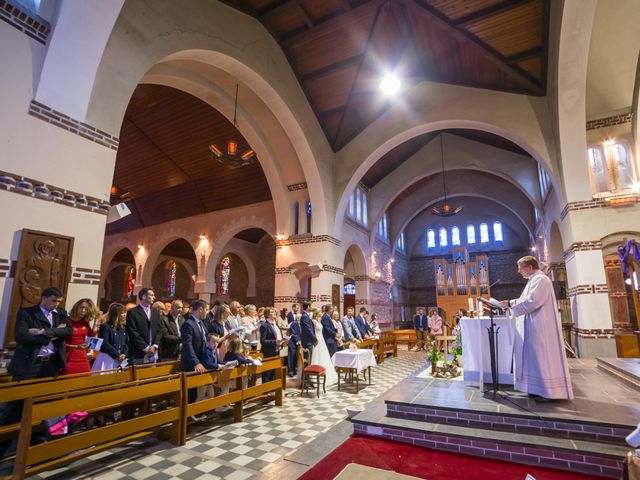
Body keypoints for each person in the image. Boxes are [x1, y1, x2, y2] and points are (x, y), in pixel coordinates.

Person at [1, 287, 72, 454]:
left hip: (50, 365)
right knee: (16, 406)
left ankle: (36, 441)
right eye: (54, 301)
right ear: (44, 298)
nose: (56, 305)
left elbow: (68, 331)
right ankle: (3, 445)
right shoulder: (27, 313)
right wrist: (55, 333)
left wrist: (42, 331)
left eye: (59, 302)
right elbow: (22, 336)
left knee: (43, 404)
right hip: (29, 365)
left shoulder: (60, 313)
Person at [500, 256, 574, 401]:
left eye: (520, 268)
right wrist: (510, 303)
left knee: (541, 357)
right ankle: (535, 388)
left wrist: (509, 303)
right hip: (534, 324)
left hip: (541, 327)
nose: (519, 271)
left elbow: (532, 301)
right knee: (534, 358)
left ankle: (547, 392)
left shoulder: (540, 280)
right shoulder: (534, 280)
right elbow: (525, 300)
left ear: (529, 267)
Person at [180, 300, 209, 403]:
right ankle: (188, 416)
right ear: (200, 309)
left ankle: (195, 412)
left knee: (199, 391)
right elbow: (187, 345)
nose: (207, 312)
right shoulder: (188, 324)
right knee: (191, 392)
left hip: (201, 361)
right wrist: (195, 362)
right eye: (206, 309)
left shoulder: (201, 323)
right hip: (191, 364)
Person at [126, 288, 163, 365]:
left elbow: (159, 330)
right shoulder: (133, 312)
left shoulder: (155, 312)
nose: (154, 297)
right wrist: (146, 348)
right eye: (152, 295)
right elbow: (133, 331)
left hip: (153, 352)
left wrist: (155, 345)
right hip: (138, 353)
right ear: (144, 297)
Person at [64, 299, 98, 374]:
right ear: (76, 307)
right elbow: (59, 344)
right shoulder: (66, 321)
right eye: (81, 307)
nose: (83, 310)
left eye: (86, 309)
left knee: (85, 382)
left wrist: (95, 330)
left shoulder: (85, 323)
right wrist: (76, 346)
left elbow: (92, 343)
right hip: (67, 358)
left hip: (83, 358)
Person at [92, 303, 128, 372]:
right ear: (116, 314)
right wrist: (117, 355)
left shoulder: (123, 328)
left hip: (120, 359)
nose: (125, 315)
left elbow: (126, 343)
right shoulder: (105, 327)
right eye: (123, 313)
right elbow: (104, 343)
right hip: (107, 358)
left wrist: (124, 354)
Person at [310, 309, 338, 385]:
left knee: (324, 357)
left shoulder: (319, 320)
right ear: (316, 313)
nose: (321, 313)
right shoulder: (313, 321)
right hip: (317, 341)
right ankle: (316, 374)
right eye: (320, 312)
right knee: (318, 357)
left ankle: (324, 374)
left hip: (322, 340)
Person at [259, 308, 286, 383]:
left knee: (274, 370)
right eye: (272, 312)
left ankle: (273, 387)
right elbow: (263, 341)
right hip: (268, 351)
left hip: (276, 350)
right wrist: (275, 342)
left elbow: (278, 335)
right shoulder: (264, 325)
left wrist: (283, 340)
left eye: (274, 311)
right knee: (267, 371)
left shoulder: (275, 323)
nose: (275, 313)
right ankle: (265, 390)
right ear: (267, 314)